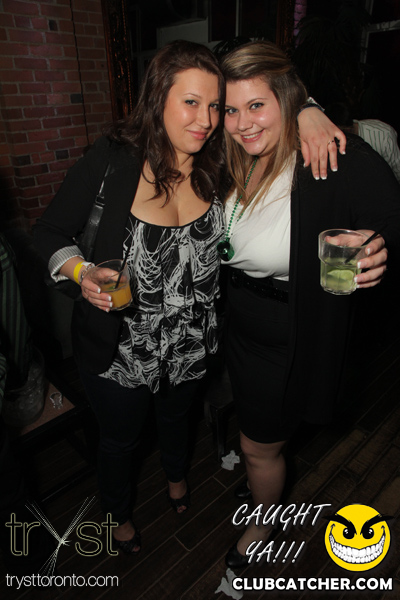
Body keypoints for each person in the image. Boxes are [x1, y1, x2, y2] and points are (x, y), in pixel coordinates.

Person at [34, 40, 347, 556]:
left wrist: (309, 110)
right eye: (191, 102)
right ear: (158, 98)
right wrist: (82, 272)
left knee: (177, 420)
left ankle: (177, 477)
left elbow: (269, 118)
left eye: (214, 105)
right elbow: (48, 233)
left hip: (191, 342)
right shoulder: (112, 160)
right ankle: (117, 513)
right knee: (120, 440)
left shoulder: (218, 164)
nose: (206, 120)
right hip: (120, 349)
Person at [218, 41, 400, 568]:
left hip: (288, 329)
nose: (243, 123)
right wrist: (306, 107)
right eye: (231, 109)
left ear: (285, 98)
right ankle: (262, 479)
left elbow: (391, 217)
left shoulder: (328, 154)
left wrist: (379, 245)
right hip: (236, 322)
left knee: (258, 445)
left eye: (257, 105)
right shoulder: (230, 158)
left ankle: (262, 522)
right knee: (257, 432)